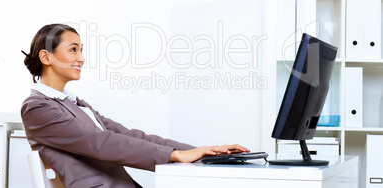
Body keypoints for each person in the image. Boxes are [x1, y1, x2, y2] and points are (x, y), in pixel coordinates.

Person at [21, 23, 249, 188]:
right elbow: (100, 142)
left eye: (81, 50)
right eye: (73, 50)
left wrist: (200, 152)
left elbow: (130, 135)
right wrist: (176, 155)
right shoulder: (37, 108)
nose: (80, 58)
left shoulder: (75, 103)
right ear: (46, 57)